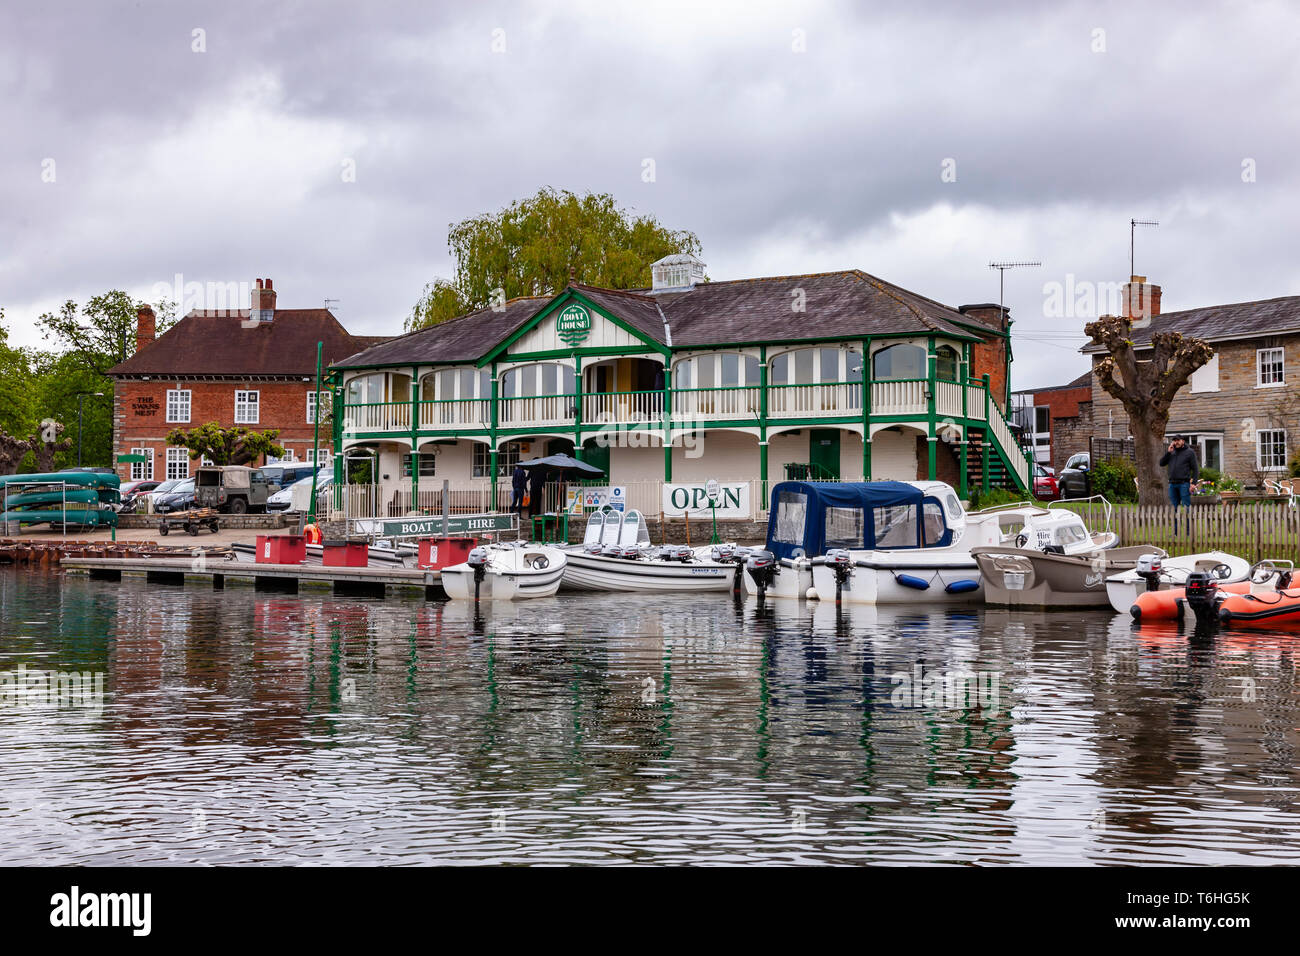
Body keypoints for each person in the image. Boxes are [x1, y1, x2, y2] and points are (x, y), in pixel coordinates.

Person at [1159, 434, 1199, 536]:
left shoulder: (1189, 452)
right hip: (1172, 484)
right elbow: (1161, 463)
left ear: (1183, 441)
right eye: (1174, 440)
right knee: (1174, 509)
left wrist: (1193, 483)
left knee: (1186, 508)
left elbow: (1195, 469)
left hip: (1184, 484)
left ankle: (1188, 532)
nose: (1176, 442)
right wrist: (1168, 452)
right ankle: (1175, 533)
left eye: (1178, 440)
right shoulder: (1172, 452)